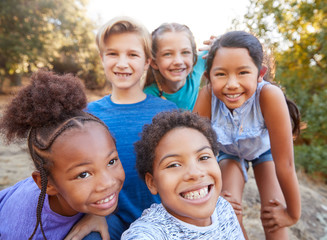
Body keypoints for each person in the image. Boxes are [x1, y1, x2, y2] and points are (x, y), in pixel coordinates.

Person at [66, 16, 178, 240]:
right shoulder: (87, 115)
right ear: (102, 58)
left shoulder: (169, 112)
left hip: (161, 217)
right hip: (109, 215)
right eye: (113, 54)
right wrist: (96, 213)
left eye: (132, 54)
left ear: (147, 61)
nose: (122, 63)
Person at [193, 31, 301, 239]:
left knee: (273, 212)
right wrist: (214, 195)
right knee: (227, 207)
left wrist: (292, 214)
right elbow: (197, 154)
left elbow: (285, 164)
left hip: (264, 151)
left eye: (243, 72)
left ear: (260, 73)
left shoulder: (269, 96)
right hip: (229, 152)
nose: (232, 84)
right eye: (221, 74)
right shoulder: (207, 97)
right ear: (208, 76)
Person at [0, 70, 125, 240]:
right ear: (48, 184)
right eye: (84, 174)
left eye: (111, 162)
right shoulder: (25, 230)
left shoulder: (85, 194)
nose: (108, 182)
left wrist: (98, 214)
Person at [121, 110, 245, 239]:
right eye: (174, 165)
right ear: (152, 182)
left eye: (203, 157)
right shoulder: (148, 234)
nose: (195, 173)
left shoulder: (224, 208)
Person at [143, 22, 208, 111]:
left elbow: (228, 47)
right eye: (168, 54)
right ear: (154, 63)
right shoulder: (149, 96)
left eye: (185, 52)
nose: (178, 61)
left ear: (193, 57)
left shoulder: (196, 67)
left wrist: (219, 43)